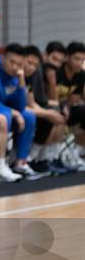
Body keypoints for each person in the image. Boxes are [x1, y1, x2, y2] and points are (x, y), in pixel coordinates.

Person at [0, 43, 38, 178]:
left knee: (28, 116)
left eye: (19, 64)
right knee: (6, 116)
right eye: (12, 62)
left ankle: (20, 162)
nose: (15, 67)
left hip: (3, 111)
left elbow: (20, 106)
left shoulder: (15, 75)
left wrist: (21, 83)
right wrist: (14, 113)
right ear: (2, 58)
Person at [22, 46, 71, 174]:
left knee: (56, 114)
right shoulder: (37, 72)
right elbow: (25, 104)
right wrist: (47, 113)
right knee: (47, 115)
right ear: (46, 55)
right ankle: (31, 158)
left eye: (34, 64)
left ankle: (47, 158)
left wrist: (52, 111)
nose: (31, 67)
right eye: (29, 63)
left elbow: (31, 102)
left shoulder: (31, 74)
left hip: (31, 107)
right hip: (15, 112)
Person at [55, 41, 85, 169]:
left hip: (65, 109)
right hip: (50, 109)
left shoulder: (81, 75)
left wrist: (66, 106)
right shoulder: (56, 72)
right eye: (76, 59)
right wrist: (63, 108)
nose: (79, 63)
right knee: (59, 115)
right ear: (67, 57)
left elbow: (74, 98)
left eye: (82, 60)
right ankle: (51, 157)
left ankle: (75, 152)